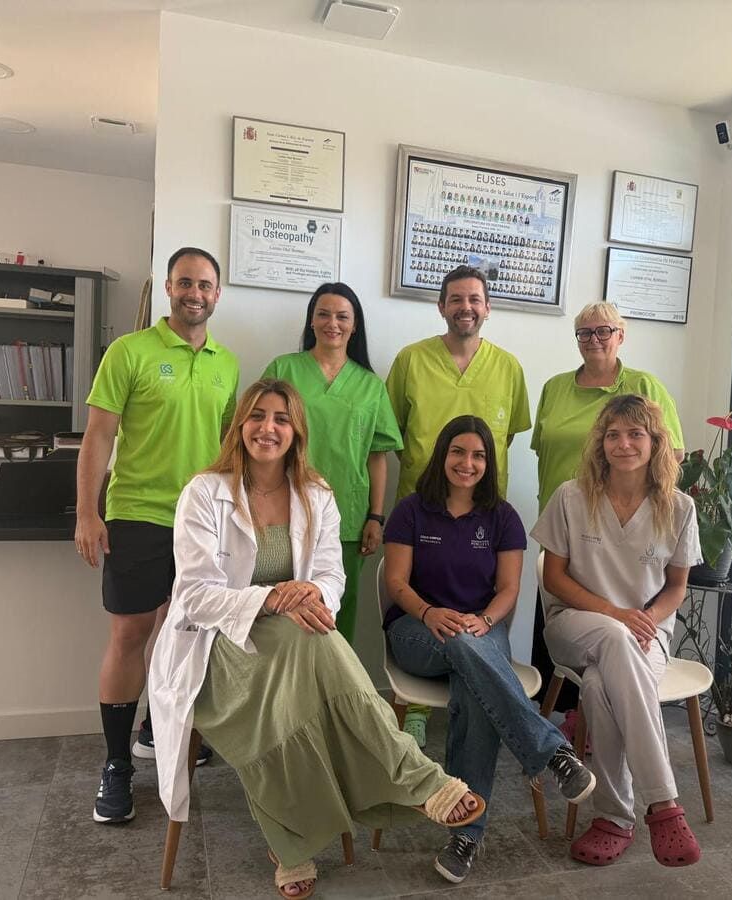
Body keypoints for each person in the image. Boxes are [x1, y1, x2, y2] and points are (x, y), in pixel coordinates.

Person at [149, 380, 486, 899]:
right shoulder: (204, 492)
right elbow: (194, 595)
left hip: (296, 638)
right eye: (257, 416)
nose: (268, 428)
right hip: (216, 647)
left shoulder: (317, 494)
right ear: (240, 425)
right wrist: (274, 599)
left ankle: (291, 843)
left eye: (281, 419)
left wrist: (310, 589)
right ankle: (416, 777)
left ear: (296, 431)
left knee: (312, 643)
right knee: (315, 643)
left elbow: (333, 577)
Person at [383, 415, 595, 883]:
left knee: (476, 689)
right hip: (417, 630)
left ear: (489, 463)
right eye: (458, 451)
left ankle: (465, 835)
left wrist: (483, 621)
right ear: (443, 455)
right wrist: (429, 613)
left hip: (482, 630)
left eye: (478, 455)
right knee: (466, 652)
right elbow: (395, 582)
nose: (467, 462)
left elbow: (508, 590)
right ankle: (550, 751)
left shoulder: (503, 517)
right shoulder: (411, 511)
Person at [75, 246, 239, 824]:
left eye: (206, 285)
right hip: (138, 515)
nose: (196, 293)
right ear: (169, 289)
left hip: (202, 521)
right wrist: (87, 513)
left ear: (218, 293)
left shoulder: (226, 362)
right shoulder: (130, 352)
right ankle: (117, 765)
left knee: (190, 630)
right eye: (186, 283)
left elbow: (228, 449)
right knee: (130, 636)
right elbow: (97, 437)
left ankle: (157, 729)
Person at [531, 394, 703, 869]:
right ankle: (664, 803)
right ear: (600, 443)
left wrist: (643, 620)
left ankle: (613, 817)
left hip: (647, 632)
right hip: (575, 623)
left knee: (599, 685)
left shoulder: (680, 507)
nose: (622, 444)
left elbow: (676, 588)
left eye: (635, 434)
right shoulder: (571, 495)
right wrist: (615, 614)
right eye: (612, 435)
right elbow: (555, 578)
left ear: (655, 442)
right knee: (611, 637)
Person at [386, 264, 531, 747]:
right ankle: (427, 713)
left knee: (475, 618)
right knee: (439, 617)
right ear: (441, 305)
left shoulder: (509, 367)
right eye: (456, 298)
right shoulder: (410, 360)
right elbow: (395, 432)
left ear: (487, 308)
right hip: (422, 517)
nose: (465, 307)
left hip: (481, 525)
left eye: (475, 299)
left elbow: (502, 437)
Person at [530, 302, 686, 732]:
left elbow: (672, 455)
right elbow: (545, 452)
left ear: (621, 336)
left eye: (604, 331)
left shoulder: (642, 384)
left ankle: (592, 720)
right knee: (567, 615)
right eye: (584, 333)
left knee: (615, 623)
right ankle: (566, 716)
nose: (594, 339)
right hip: (567, 520)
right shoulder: (555, 387)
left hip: (626, 523)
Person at [263, 283, 402, 645]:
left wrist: (375, 516)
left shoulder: (370, 385)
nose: (332, 323)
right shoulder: (284, 369)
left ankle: (334, 697)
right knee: (282, 611)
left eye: (343, 316)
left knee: (337, 613)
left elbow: (377, 455)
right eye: (323, 314)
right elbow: (259, 437)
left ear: (355, 326)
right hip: (282, 510)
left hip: (349, 517)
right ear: (311, 320)